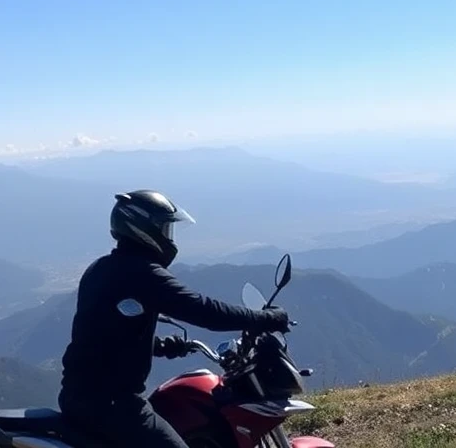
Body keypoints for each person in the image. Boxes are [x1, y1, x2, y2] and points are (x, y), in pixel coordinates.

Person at [59, 189, 290, 448]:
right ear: (144, 229)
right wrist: (264, 318)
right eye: (165, 229)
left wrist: (162, 346)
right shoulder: (143, 274)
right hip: (113, 403)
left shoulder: (101, 269)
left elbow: (105, 333)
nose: (169, 238)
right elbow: (205, 310)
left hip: (81, 396)